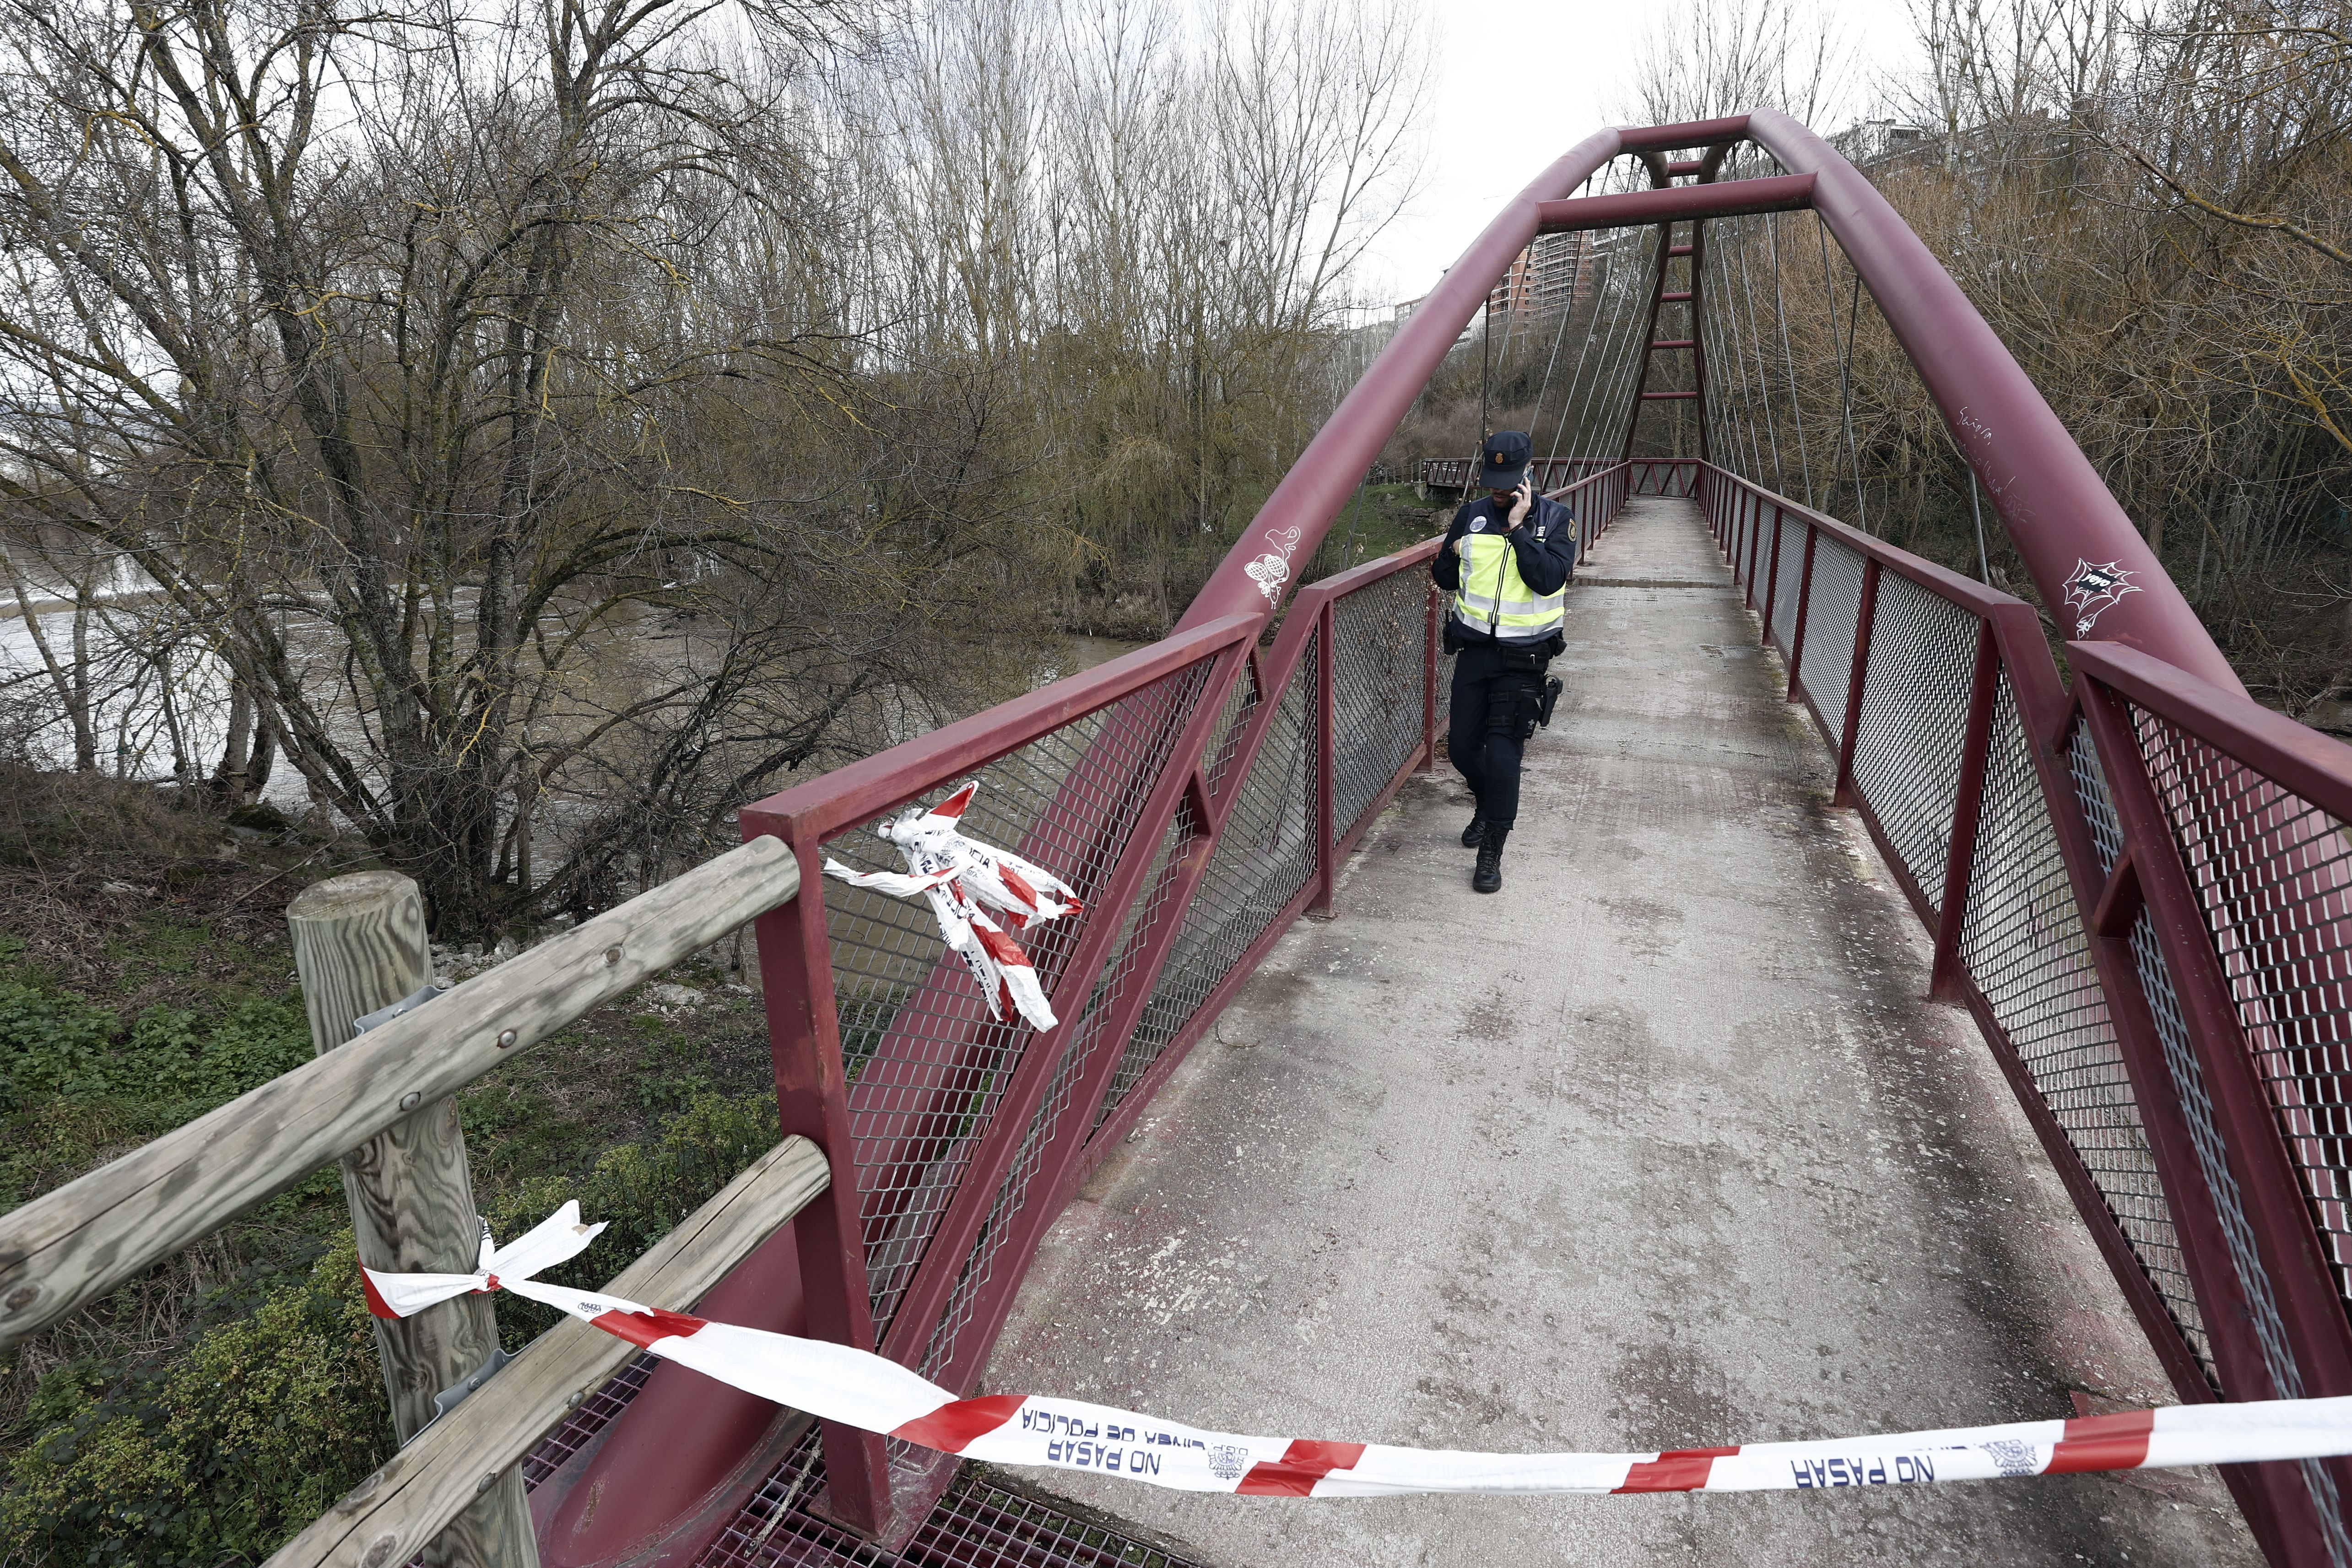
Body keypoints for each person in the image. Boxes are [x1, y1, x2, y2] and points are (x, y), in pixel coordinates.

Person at [1429, 430, 1575, 893]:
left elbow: (1550, 579)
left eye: (1507, 480)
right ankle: (1488, 801)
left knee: (1505, 754)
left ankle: (1493, 846)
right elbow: (1445, 576)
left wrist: (1516, 528)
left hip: (1525, 658)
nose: (1497, 489)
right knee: (1461, 749)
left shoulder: (1555, 518)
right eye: (1492, 480)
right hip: (1474, 651)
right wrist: (1452, 557)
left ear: (1529, 472)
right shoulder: (1470, 516)